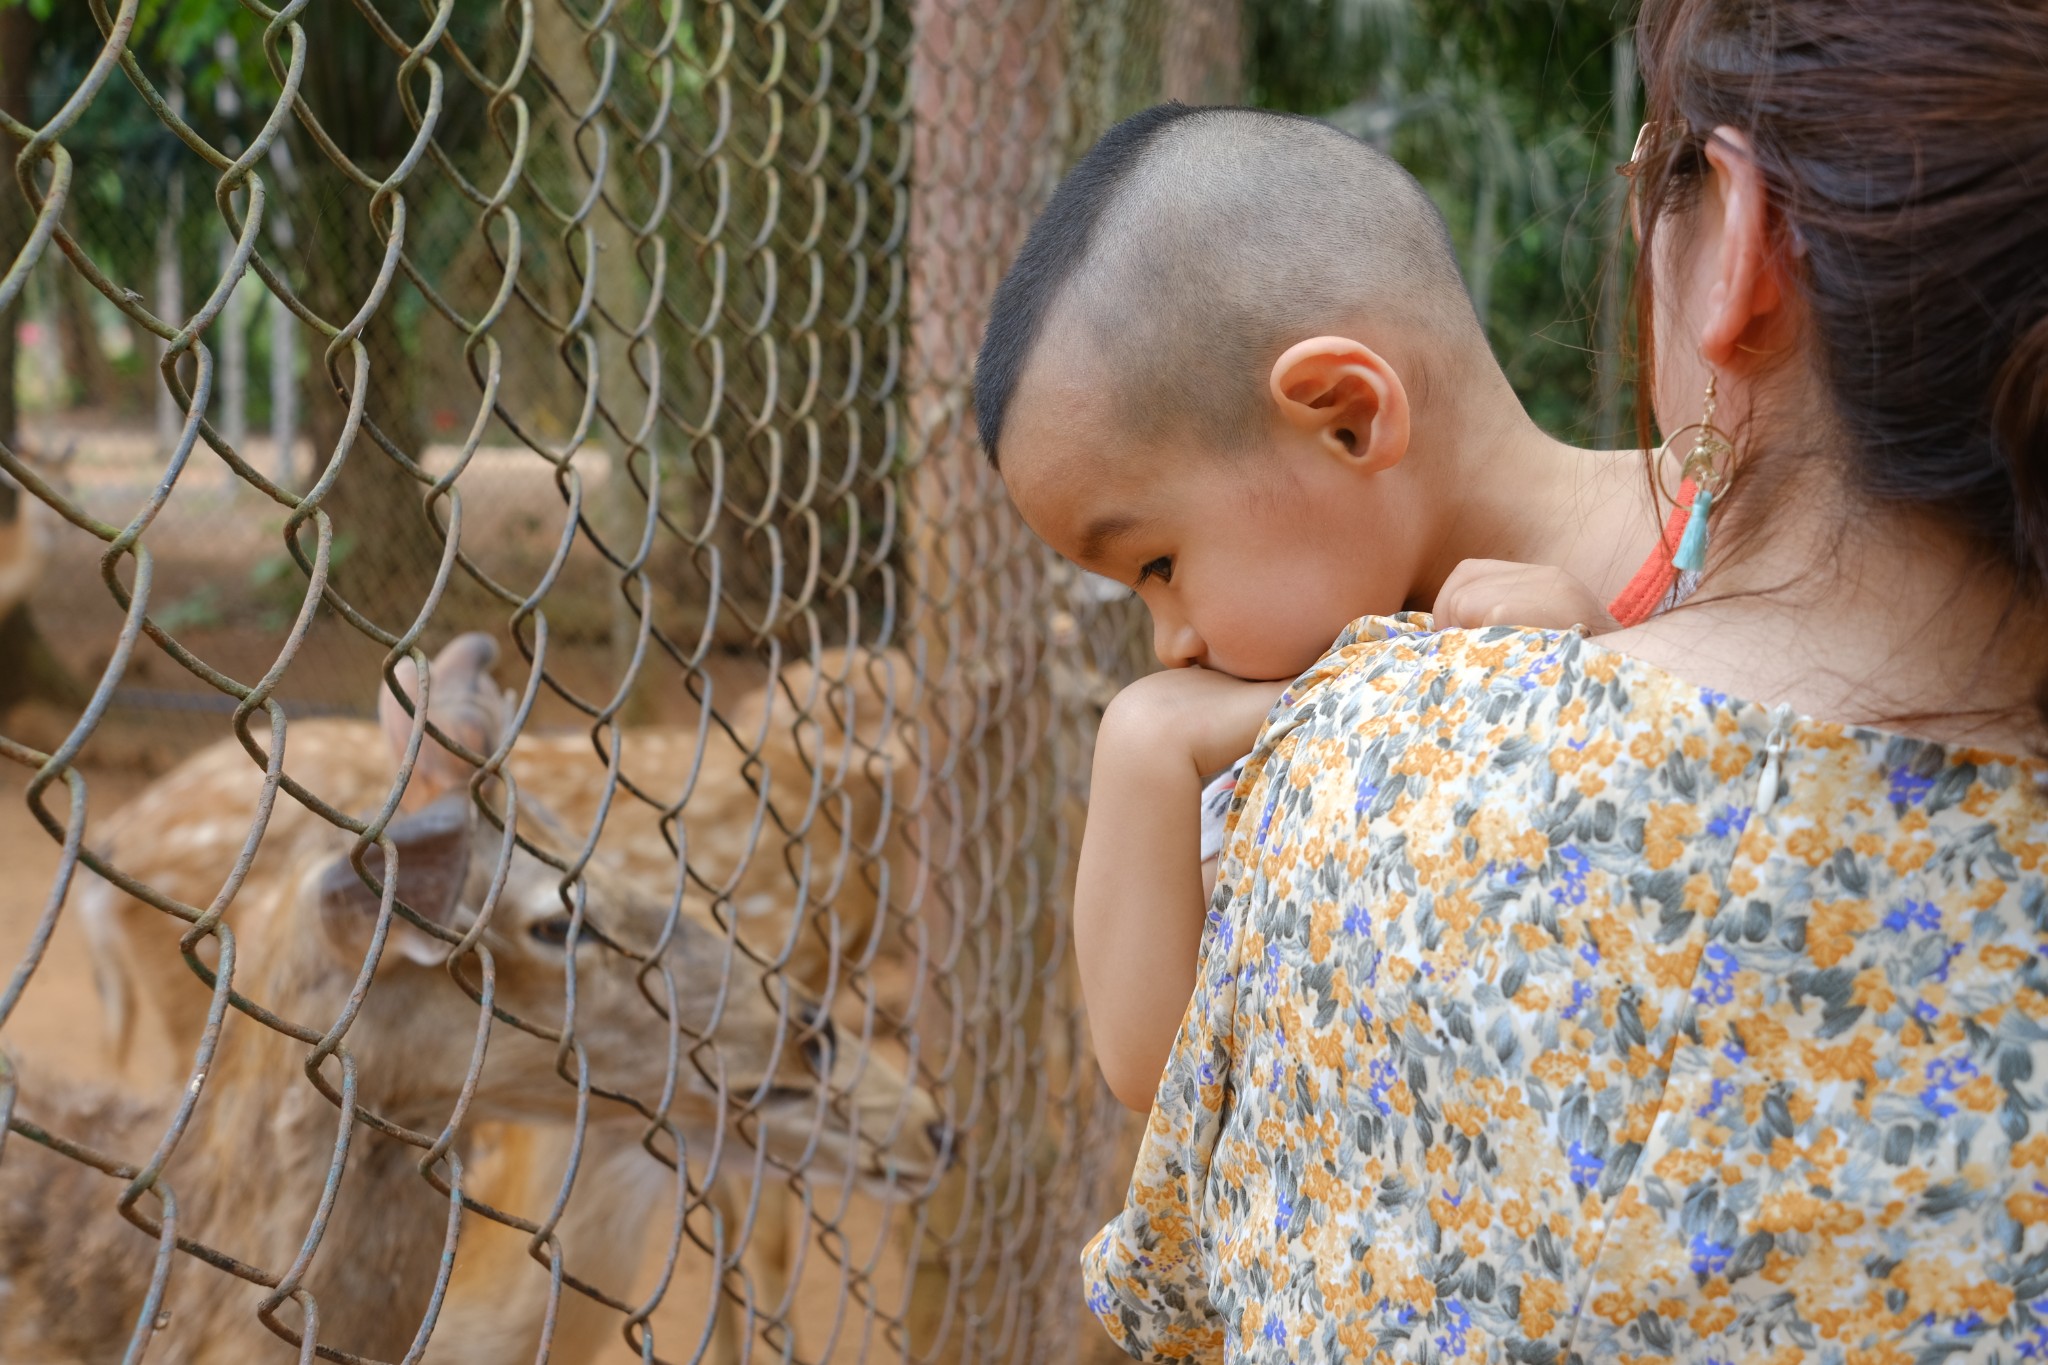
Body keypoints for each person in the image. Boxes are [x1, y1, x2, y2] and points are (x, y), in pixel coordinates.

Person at [1072, 0, 2048, 1357]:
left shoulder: (1362, 767)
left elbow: (1168, 1128)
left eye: (1160, 564)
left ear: (1744, 250)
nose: (1168, 634)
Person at [977, 102, 1702, 1110]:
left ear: (1348, 420)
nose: (1170, 642)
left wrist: (1613, 669)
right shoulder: (1288, 731)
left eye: (1157, 566)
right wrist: (1140, 749)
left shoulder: (1724, 533)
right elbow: (1159, 1078)